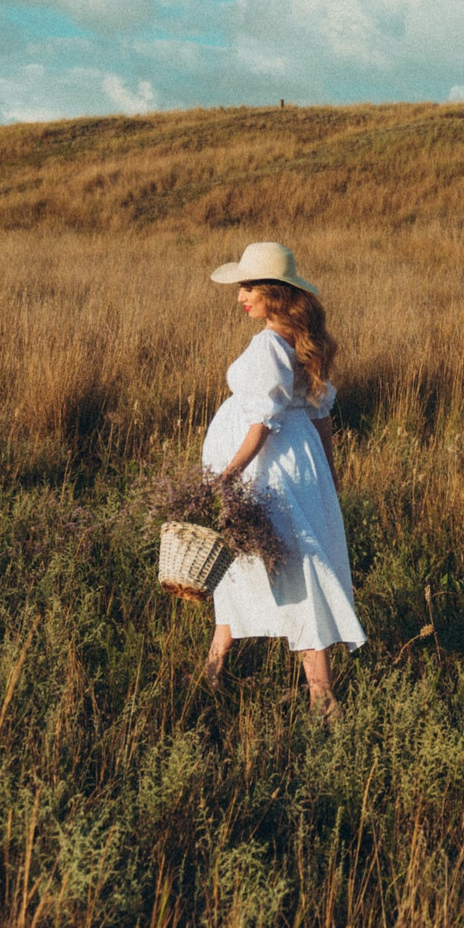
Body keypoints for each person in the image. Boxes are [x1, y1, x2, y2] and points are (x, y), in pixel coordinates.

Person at [200, 240, 365, 716]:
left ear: (273, 291)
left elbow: (262, 425)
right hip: (299, 462)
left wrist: (227, 476)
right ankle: (213, 669)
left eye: (248, 287)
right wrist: (328, 477)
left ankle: (322, 697)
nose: (240, 296)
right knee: (251, 563)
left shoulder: (270, 344)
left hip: (271, 469)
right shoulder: (301, 339)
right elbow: (320, 417)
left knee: (288, 568)